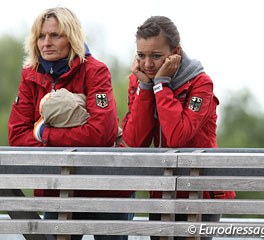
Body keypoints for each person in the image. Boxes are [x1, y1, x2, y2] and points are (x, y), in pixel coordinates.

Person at [8, 7, 131, 240]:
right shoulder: (30, 75)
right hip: (57, 189)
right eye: (41, 36)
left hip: (105, 188)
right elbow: (17, 135)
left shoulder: (96, 71)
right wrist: (71, 133)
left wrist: (44, 132)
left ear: (72, 37)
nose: (46, 42)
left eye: (55, 35)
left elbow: (100, 135)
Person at [122, 16, 236, 240]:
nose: (147, 64)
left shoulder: (200, 83)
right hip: (163, 191)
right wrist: (146, 88)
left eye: (156, 56)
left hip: (202, 193)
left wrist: (161, 85)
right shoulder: (141, 81)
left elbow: (177, 138)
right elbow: (135, 142)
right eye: (141, 55)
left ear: (176, 52)